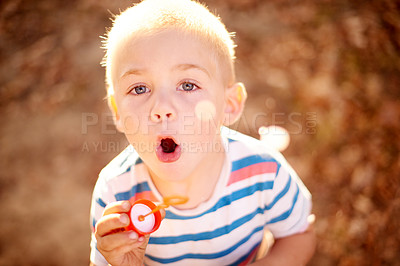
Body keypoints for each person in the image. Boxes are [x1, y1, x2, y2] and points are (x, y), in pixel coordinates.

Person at [89, 0, 316, 265]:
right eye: (139, 88)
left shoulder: (264, 172)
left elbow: (300, 235)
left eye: (187, 85)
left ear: (228, 105)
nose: (162, 108)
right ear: (117, 112)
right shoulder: (115, 194)